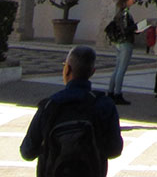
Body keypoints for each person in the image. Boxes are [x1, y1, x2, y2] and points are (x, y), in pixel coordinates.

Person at [20, 45, 123, 176]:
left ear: (67, 69)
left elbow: (27, 152)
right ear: (92, 72)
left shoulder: (49, 105)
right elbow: (114, 150)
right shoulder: (105, 104)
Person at [108, 0, 142, 105]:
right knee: (121, 69)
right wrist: (136, 27)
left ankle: (111, 92)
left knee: (117, 68)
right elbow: (125, 30)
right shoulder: (125, 13)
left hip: (119, 42)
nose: (134, 1)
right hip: (125, 42)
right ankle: (117, 93)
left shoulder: (120, 12)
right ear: (126, 0)